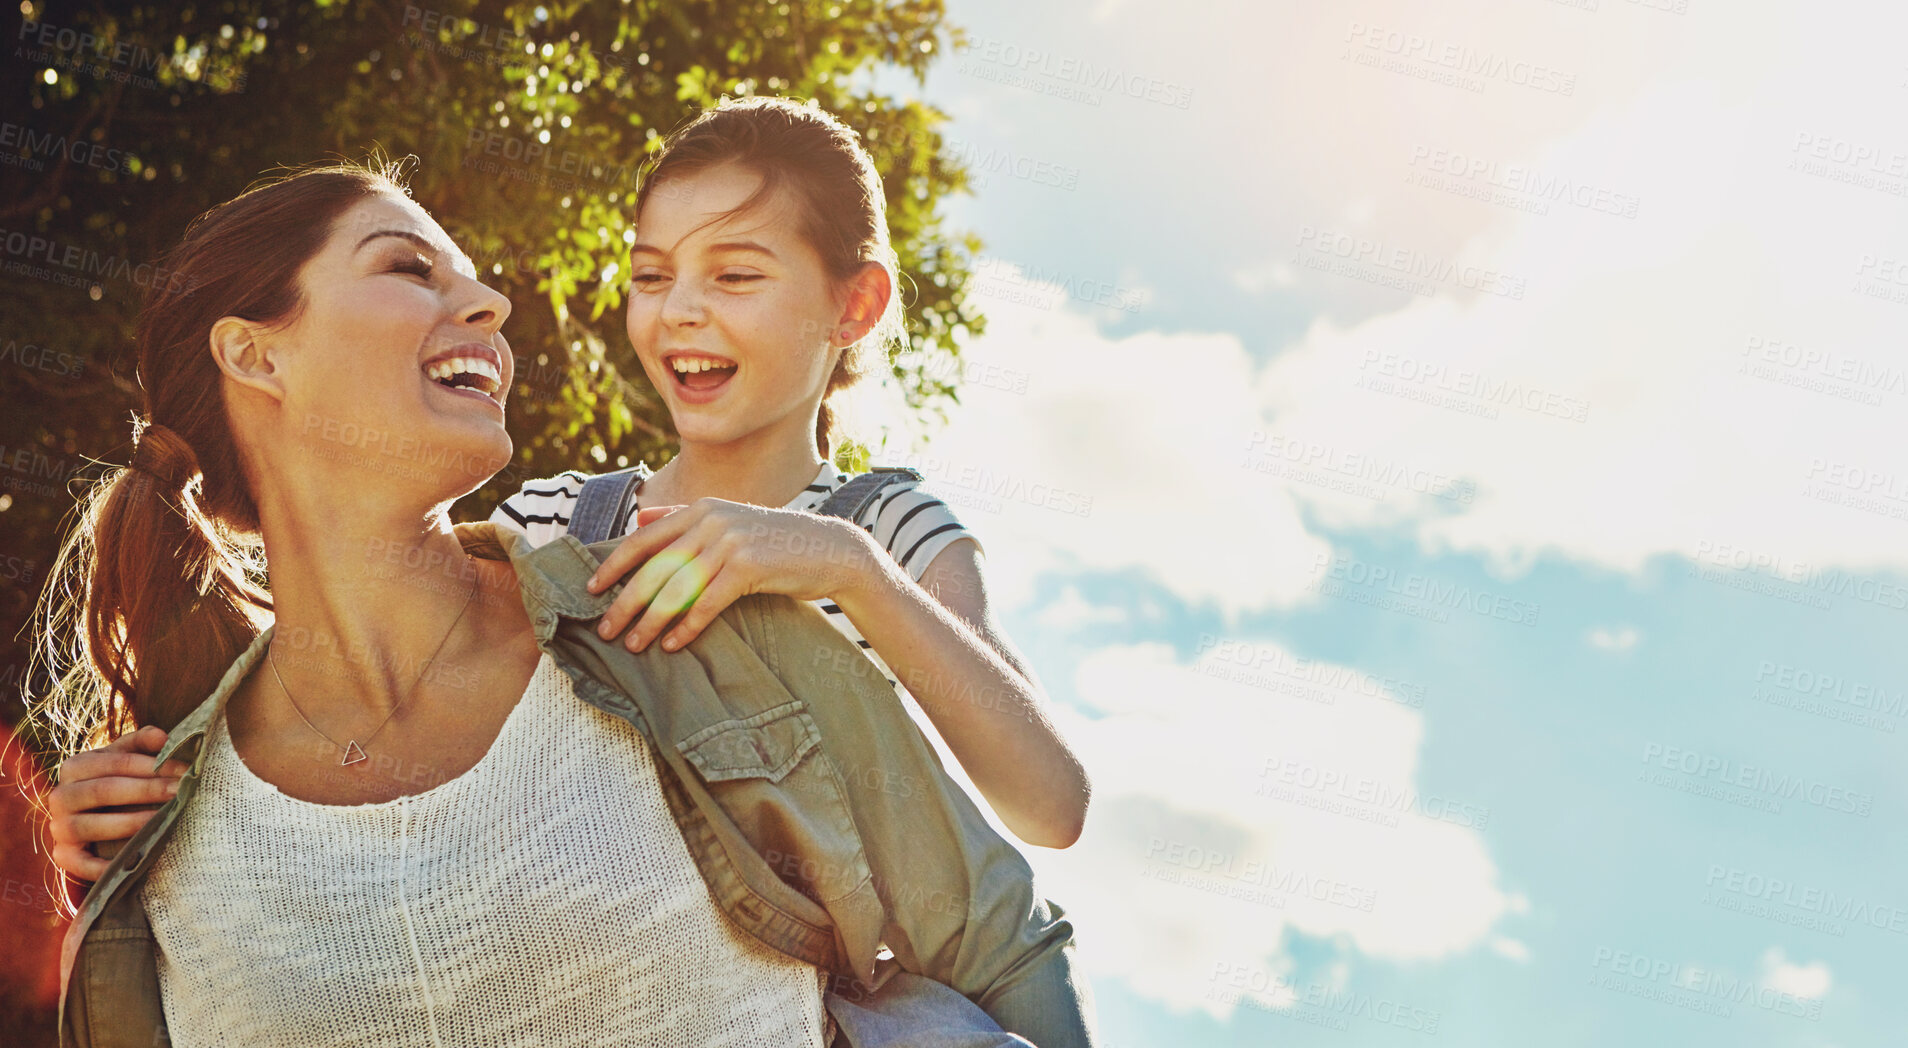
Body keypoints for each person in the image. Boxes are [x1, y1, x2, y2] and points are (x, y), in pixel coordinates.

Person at [29, 159, 1098, 1048]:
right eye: (408, 267)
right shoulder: (161, 842)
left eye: (739, 273)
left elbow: (1005, 917)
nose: (493, 304)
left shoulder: (697, 617)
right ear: (254, 353)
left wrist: (855, 566)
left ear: (848, 309)